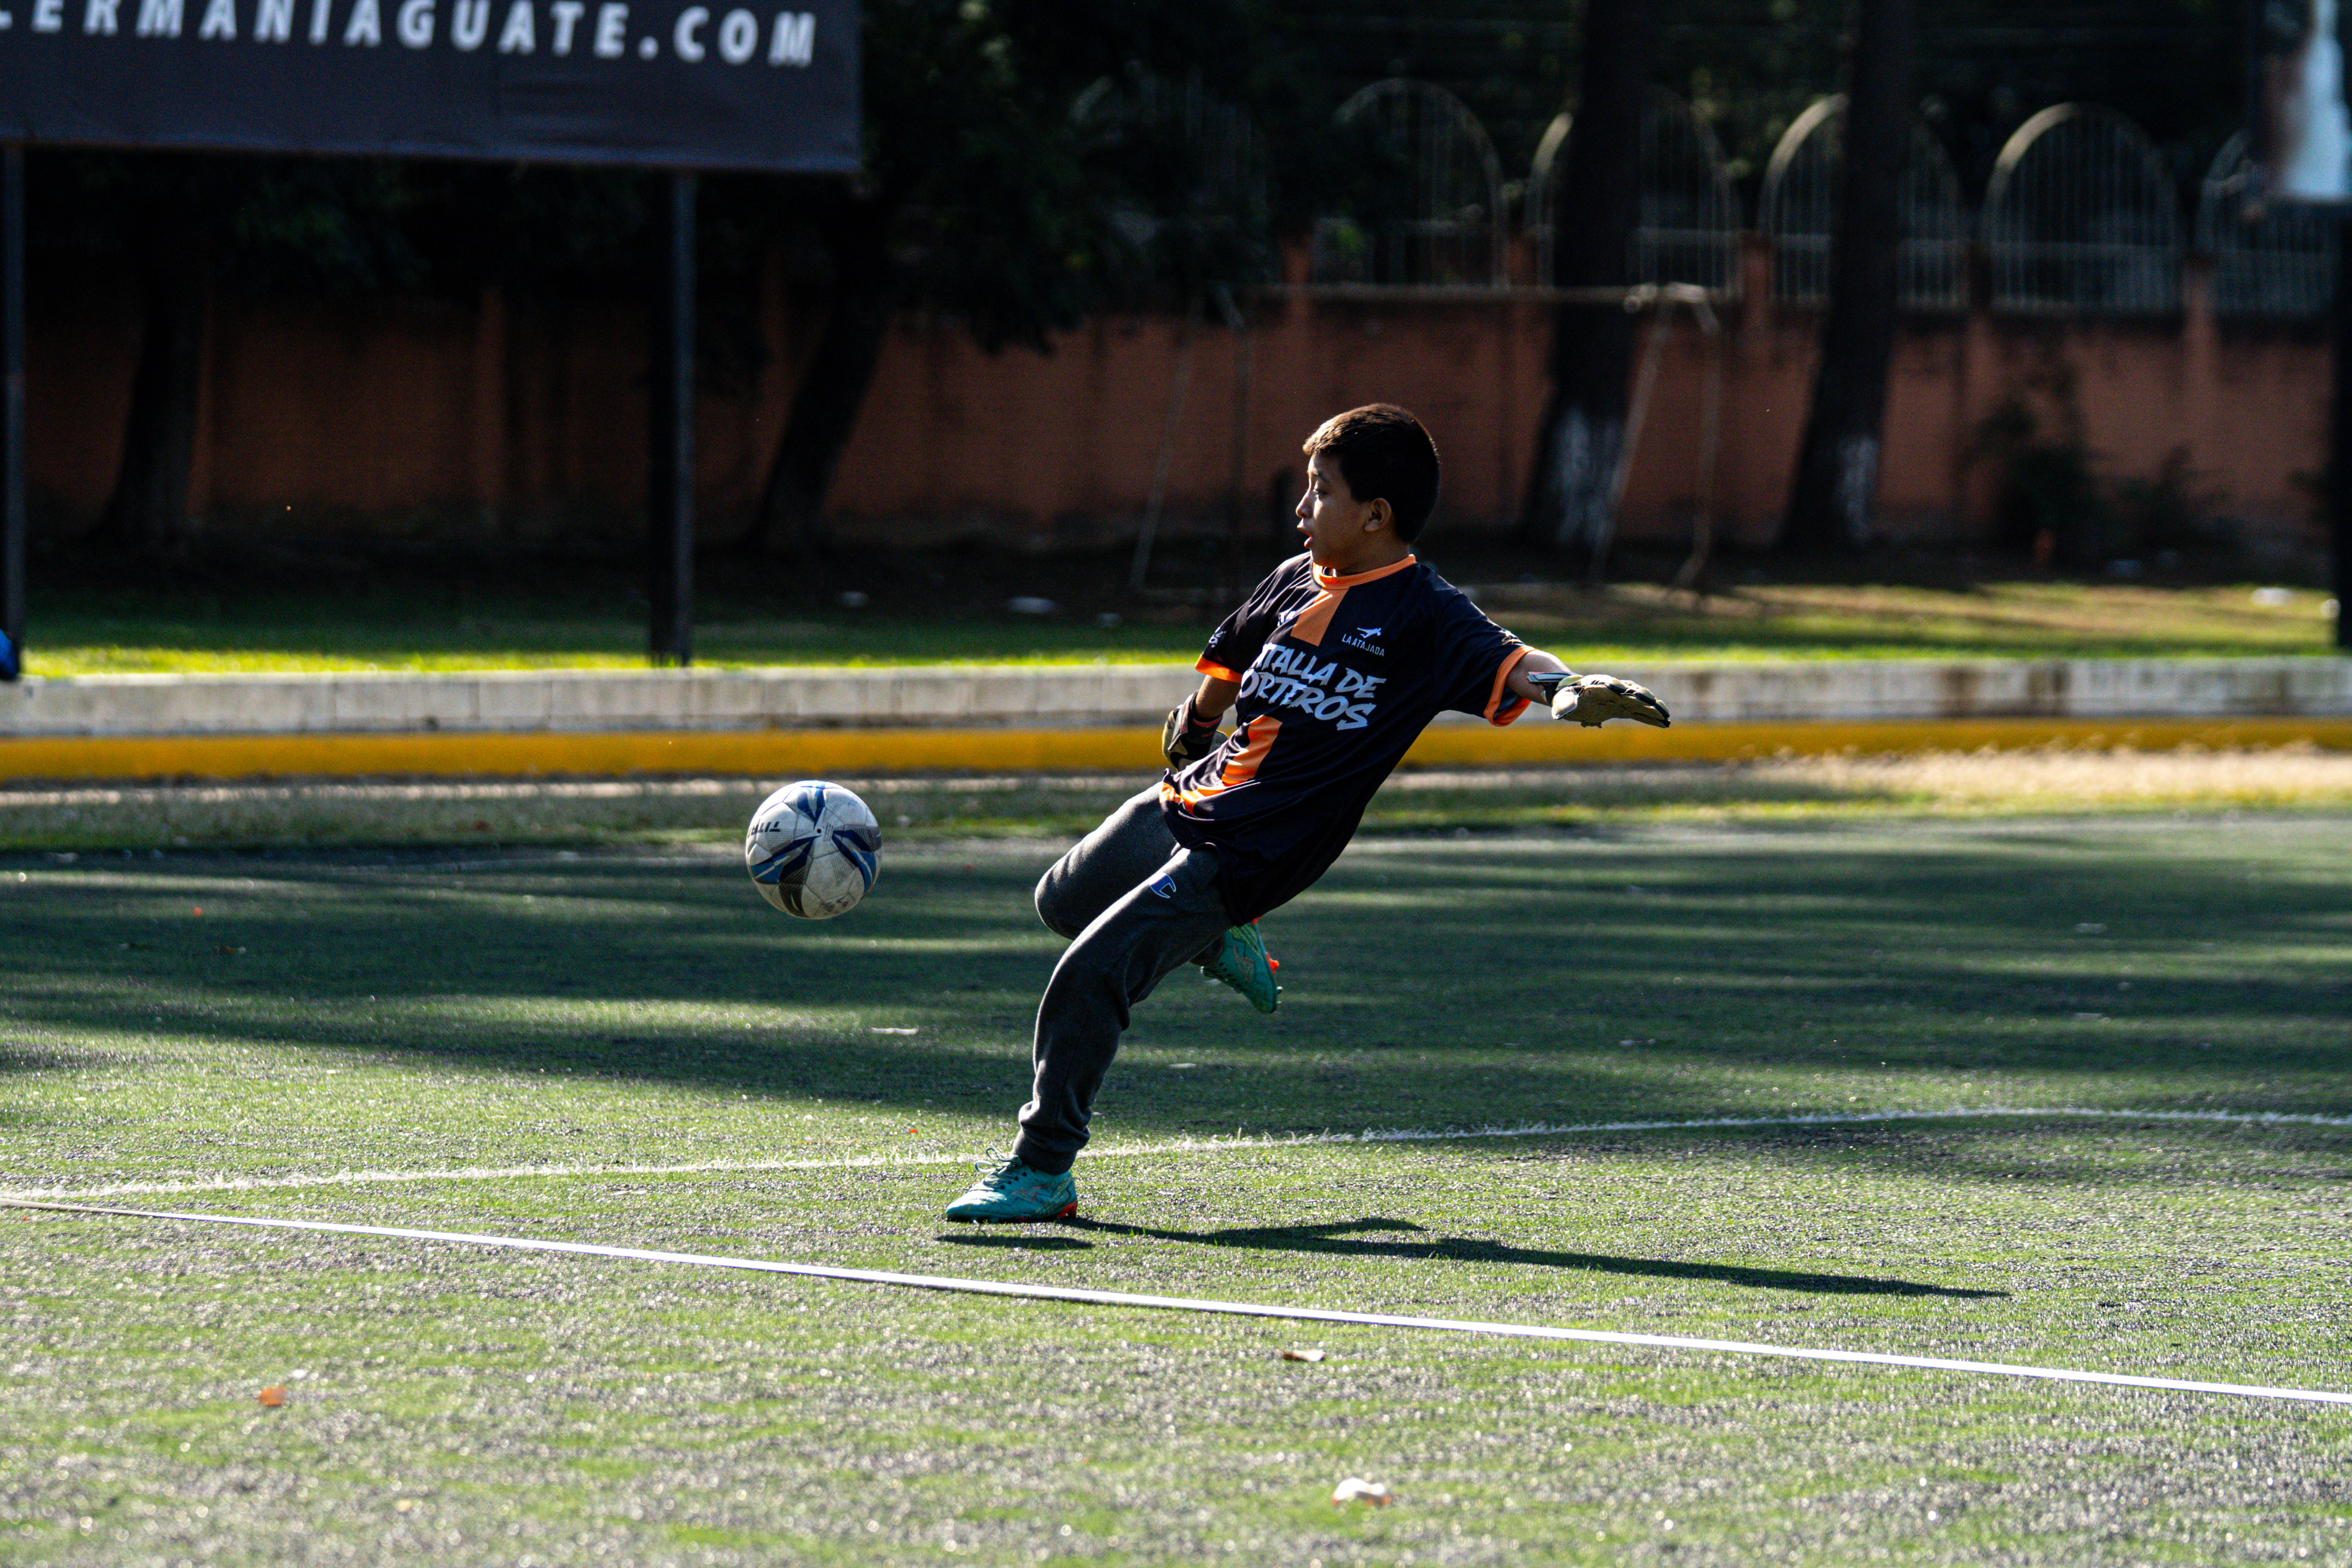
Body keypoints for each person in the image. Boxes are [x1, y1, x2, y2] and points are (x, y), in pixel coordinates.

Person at [946, 404, 1669, 1222]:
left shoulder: (1427, 616)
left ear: (1376, 515)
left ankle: (1044, 1171)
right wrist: (1197, 724)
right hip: (1197, 797)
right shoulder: (1295, 579)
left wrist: (1569, 690)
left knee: (1089, 974)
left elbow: (1519, 662)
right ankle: (1221, 937)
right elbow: (1230, 658)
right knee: (1061, 900)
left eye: (1320, 491)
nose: (1302, 509)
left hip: (1259, 848)